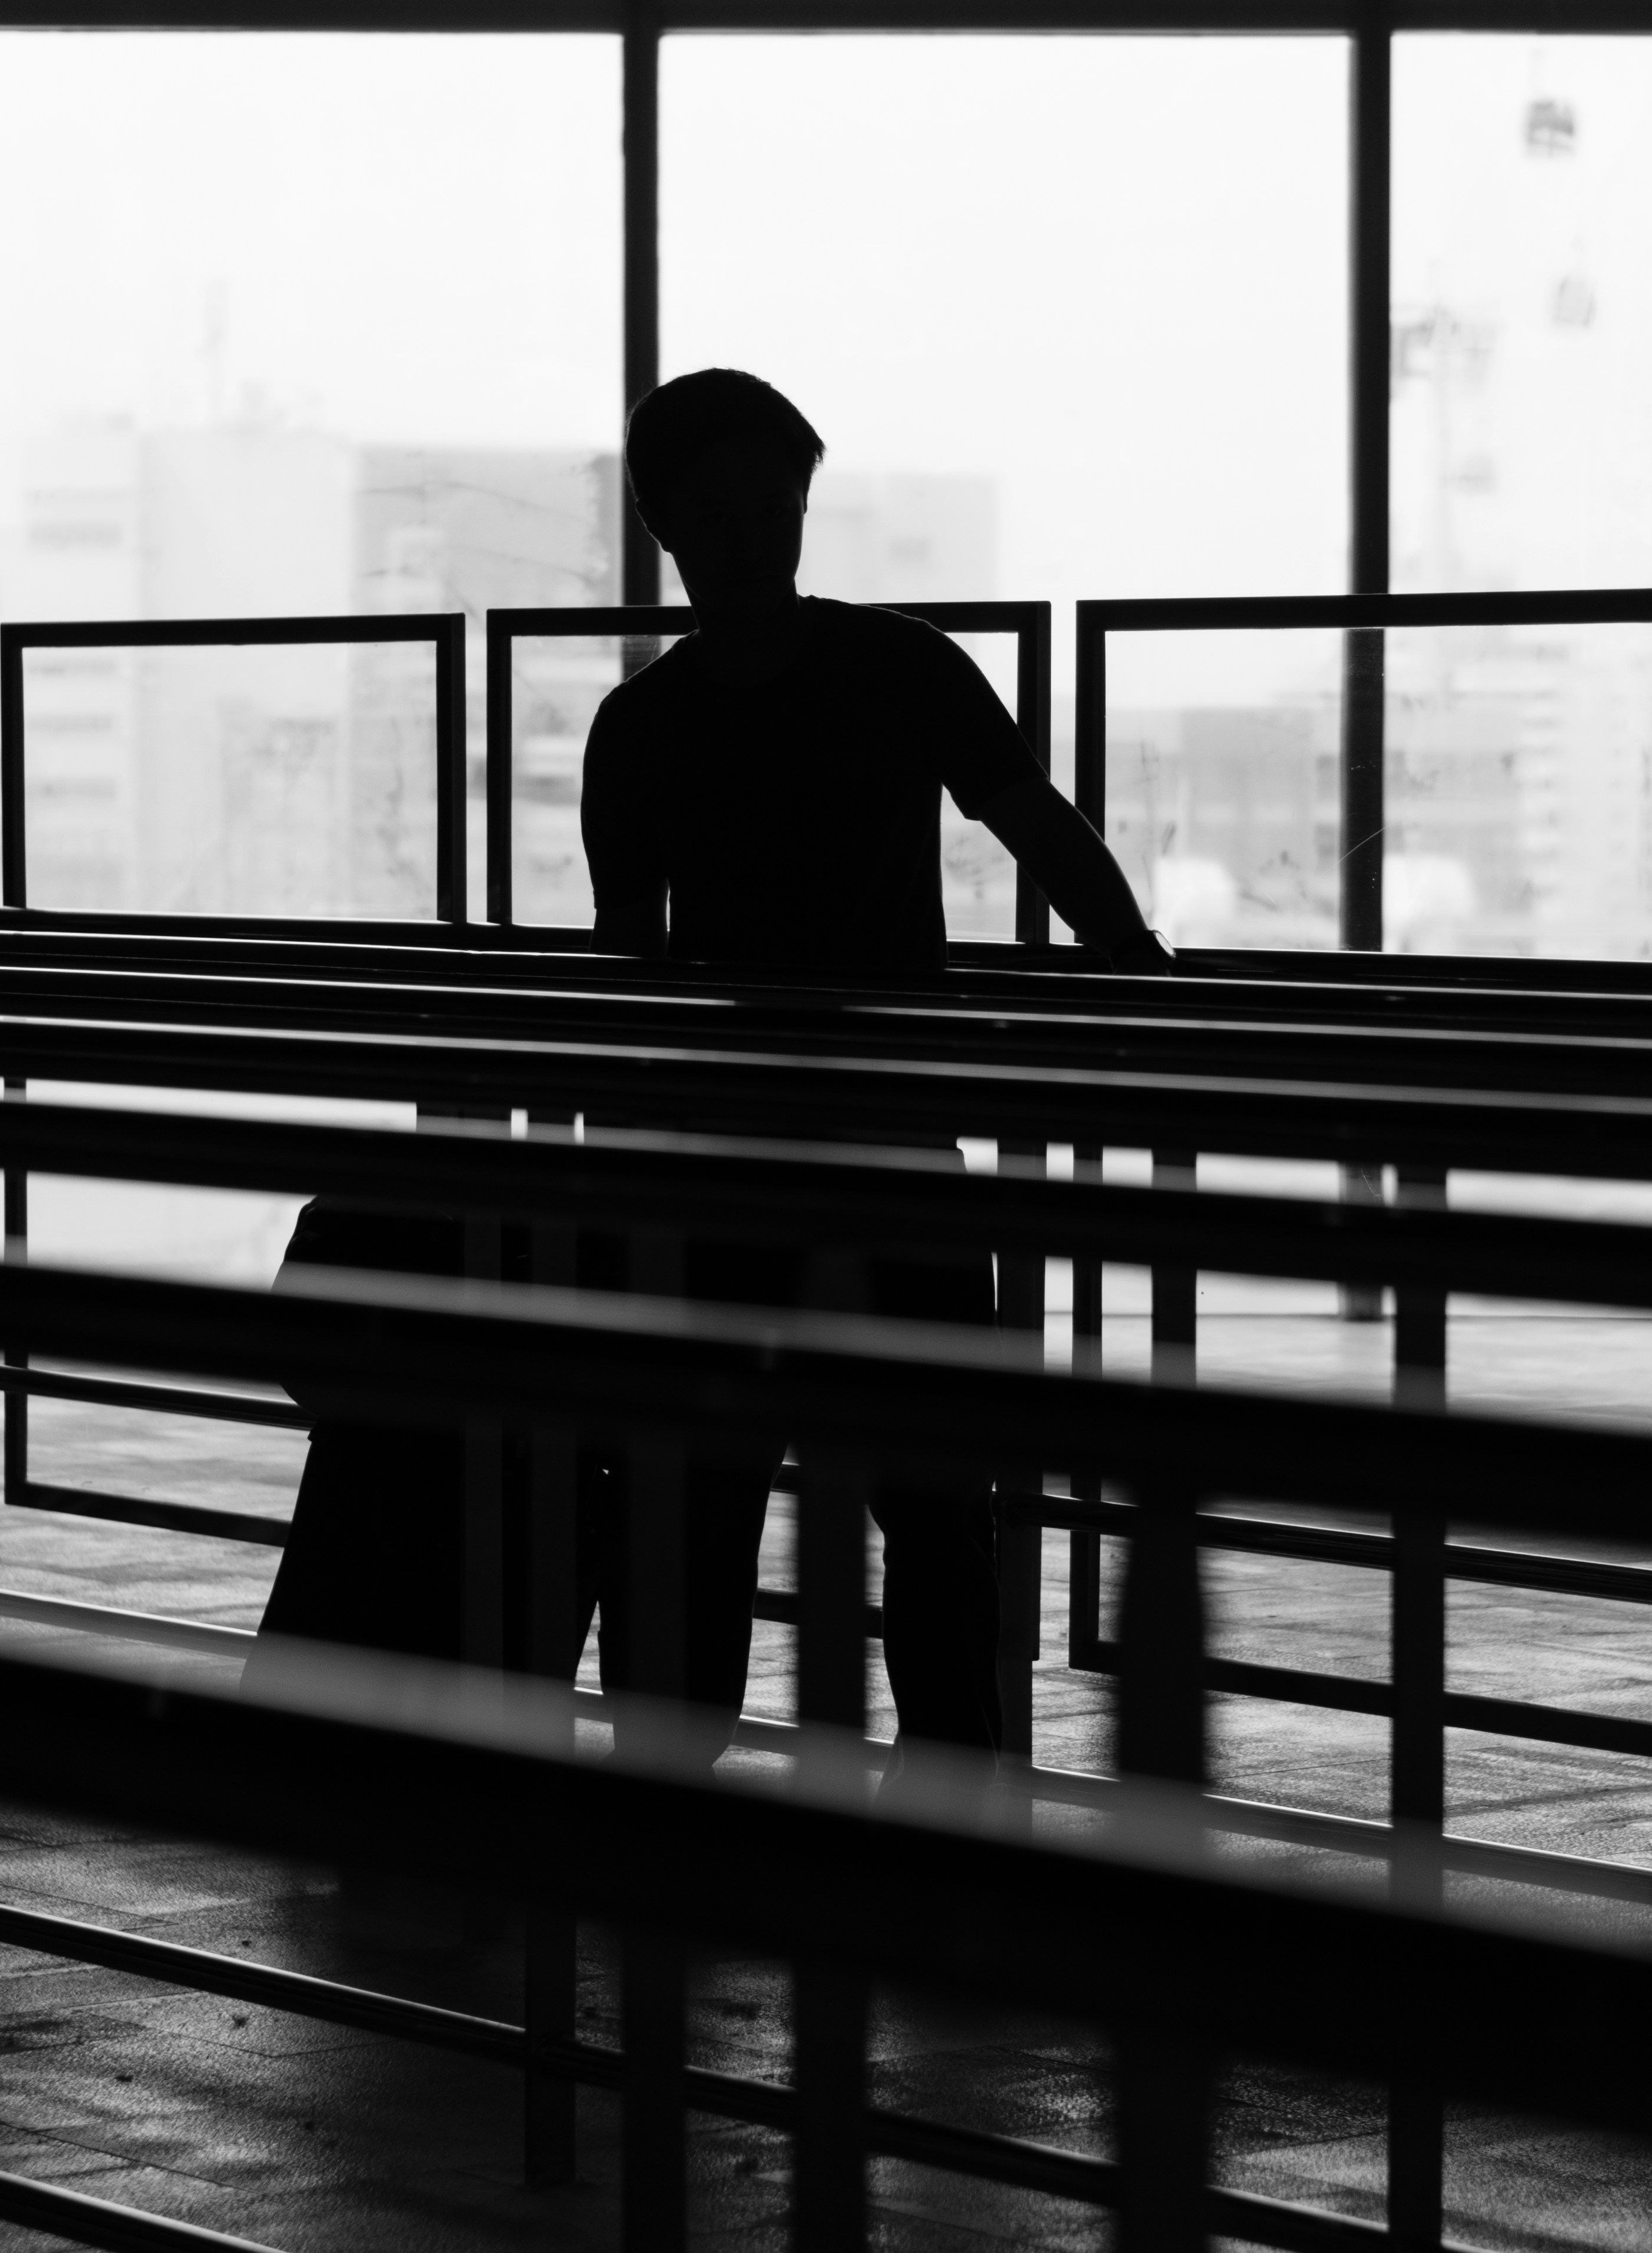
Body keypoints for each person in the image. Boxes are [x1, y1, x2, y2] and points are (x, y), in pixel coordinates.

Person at [265, 369, 1174, 1764]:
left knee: (719, 1508)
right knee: (908, 1505)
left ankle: (687, 1808)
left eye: (776, 509)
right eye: (733, 512)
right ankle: (950, 1798)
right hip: (870, 1146)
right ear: (671, 524)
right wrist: (1135, 971)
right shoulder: (892, 669)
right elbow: (1028, 821)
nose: (758, 537)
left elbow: (636, 968)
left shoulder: (650, 726)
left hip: (733, 1157)